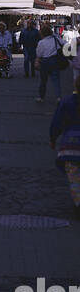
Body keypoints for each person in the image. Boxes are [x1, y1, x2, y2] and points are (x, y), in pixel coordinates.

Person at [49, 73, 80, 218]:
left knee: (74, 178)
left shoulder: (67, 102)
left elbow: (57, 122)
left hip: (70, 147)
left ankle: (78, 203)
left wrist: (53, 138)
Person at [37, 24, 63, 103]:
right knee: (56, 80)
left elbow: (39, 54)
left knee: (43, 80)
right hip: (54, 60)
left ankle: (42, 97)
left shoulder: (41, 42)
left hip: (45, 61)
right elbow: (64, 44)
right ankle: (58, 97)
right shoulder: (55, 39)